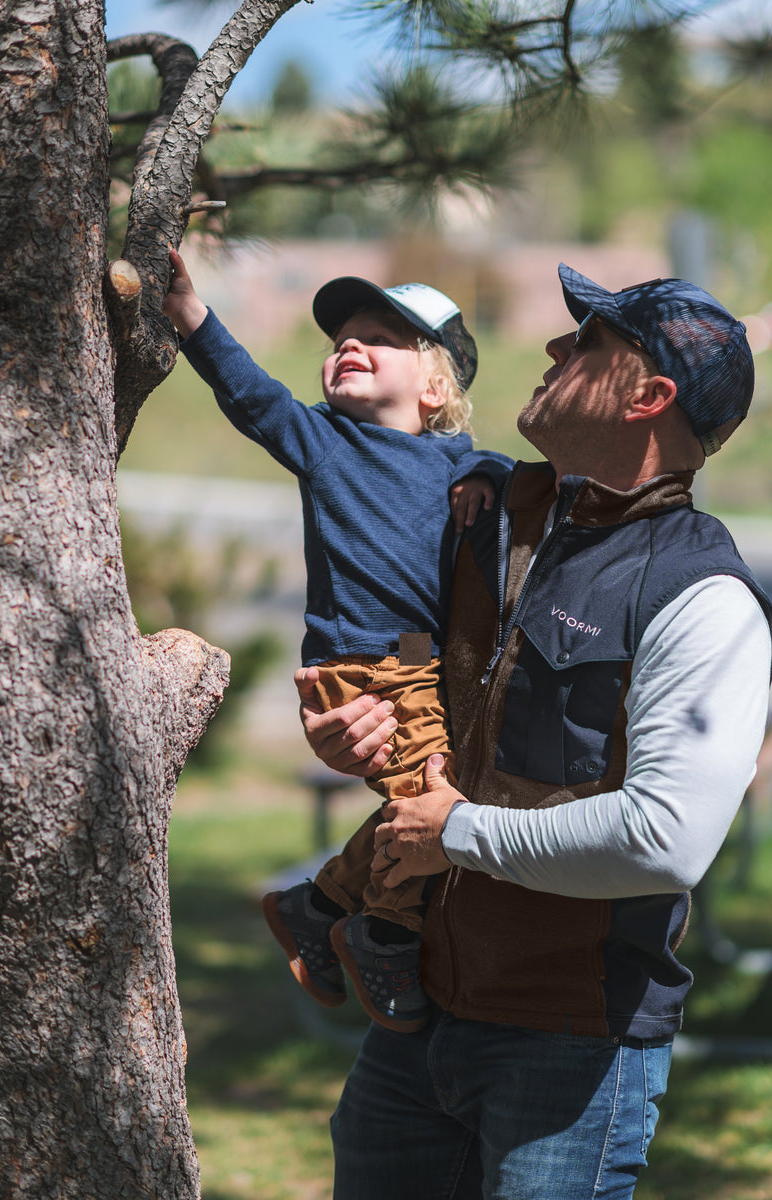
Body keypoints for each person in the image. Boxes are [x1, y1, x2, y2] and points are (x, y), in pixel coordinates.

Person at [295, 265, 772, 1199]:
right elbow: (420, 699)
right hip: (414, 1019)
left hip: (568, 1047)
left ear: (649, 396)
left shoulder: (701, 594)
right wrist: (352, 737)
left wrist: (458, 835)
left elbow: (663, 840)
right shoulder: (484, 514)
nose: (555, 348)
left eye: (590, 341)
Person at [163, 251, 512, 1034]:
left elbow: (505, 465)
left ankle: (316, 903)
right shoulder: (325, 444)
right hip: (359, 665)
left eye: (379, 337)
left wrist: (488, 471)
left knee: (438, 795)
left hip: (420, 669)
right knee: (434, 802)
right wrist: (190, 315)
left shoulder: (460, 462)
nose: (347, 347)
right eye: (339, 341)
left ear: (434, 386)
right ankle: (383, 933)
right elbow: (251, 395)